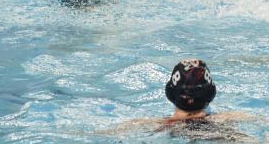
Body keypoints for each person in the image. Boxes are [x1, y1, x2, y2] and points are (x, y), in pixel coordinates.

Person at [106, 59, 254, 139]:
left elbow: (103, 134)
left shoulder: (148, 124)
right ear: (210, 93)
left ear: (170, 93)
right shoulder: (231, 118)